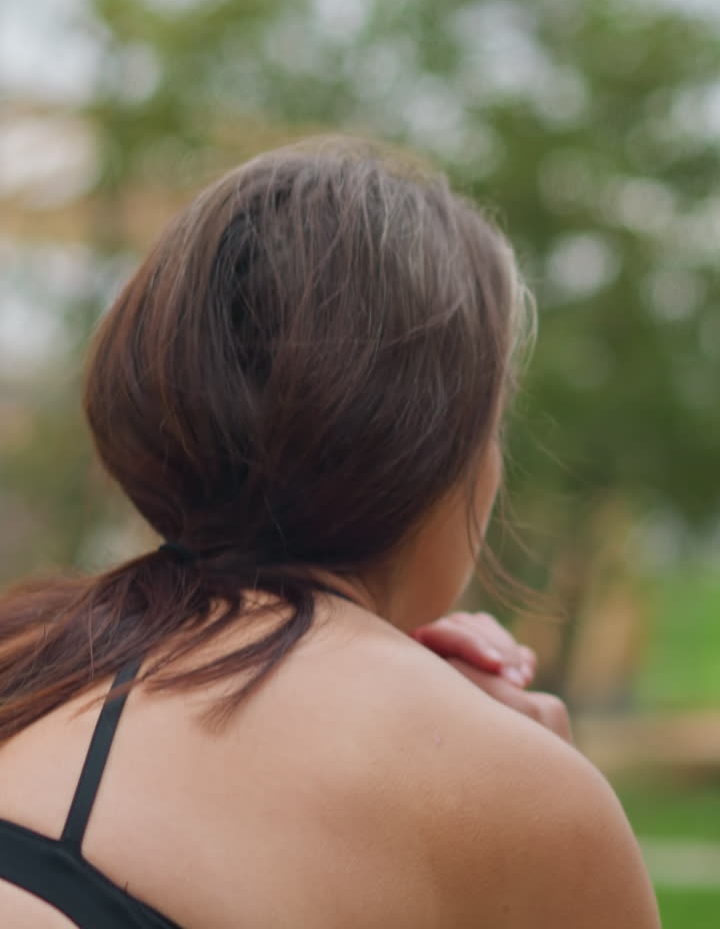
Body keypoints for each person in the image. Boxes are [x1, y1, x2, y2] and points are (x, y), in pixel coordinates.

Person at [0, 140, 659, 928]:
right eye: (494, 422)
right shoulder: (516, 793)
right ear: (439, 454)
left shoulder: (27, 663)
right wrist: (516, 769)